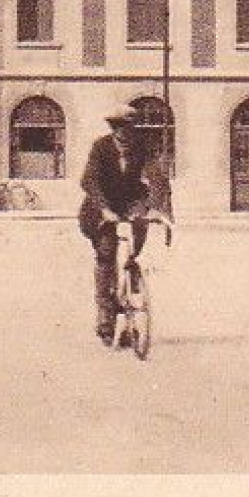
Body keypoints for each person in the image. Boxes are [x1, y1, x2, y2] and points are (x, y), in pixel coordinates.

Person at [77, 103, 157, 347]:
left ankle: (131, 293)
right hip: (100, 210)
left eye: (127, 127)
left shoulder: (142, 148)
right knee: (106, 255)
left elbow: (157, 177)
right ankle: (105, 320)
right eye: (117, 128)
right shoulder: (101, 148)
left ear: (133, 129)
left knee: (133, 251)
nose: (122, 133)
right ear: (112, 129)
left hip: (129, 205)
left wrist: (155, 208)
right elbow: (89, 181)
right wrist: (104, 209)